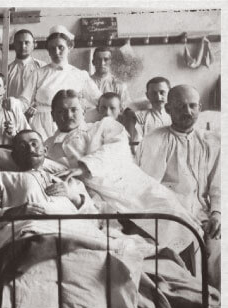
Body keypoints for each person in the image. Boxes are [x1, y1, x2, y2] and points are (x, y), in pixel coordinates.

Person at [44, 89, 202, 254]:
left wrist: (83, 167)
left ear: (82, 111)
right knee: (117, 236)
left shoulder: (104, 126)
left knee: (172, 215)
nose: (68, 115)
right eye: (61, 111)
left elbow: (117, 148)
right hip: (96, 198)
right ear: (53, 115)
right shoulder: (47, 147)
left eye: (73, 109)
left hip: (129, 185)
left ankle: (189, 266)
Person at [136, 85, 220, 290]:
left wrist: (217, 212)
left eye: (192, 106)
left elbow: (218, 185)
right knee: (190, 244)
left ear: (200, 107)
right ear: (168, 109)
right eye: (181, 106)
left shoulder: (211, 142)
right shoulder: (154, 140)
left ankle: (218, 307)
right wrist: (179, 213)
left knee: (219, 246)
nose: (187, 111)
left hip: (203, 212)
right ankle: (198, 304)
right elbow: (148, 188)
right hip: (169, 215)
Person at [17, 25, 101, 140]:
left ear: (70, 47)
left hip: (72, 124)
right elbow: (24, 102)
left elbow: (99, 100)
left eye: (61, 47)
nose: (56, 52)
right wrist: (12, 104)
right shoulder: (38, 74)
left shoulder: (80, 75)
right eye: (52, 48)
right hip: (42, 125)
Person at [7, 29, 46, 98]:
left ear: (34, 45)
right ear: (14, 45)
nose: (23, 46)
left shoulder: (42, 67)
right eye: (19, 43)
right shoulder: (7, 70)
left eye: (27, 42)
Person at [132, 77, 172, 141]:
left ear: (170, 93)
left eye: (162, 92)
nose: (158, 97)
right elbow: (137, 143)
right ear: (147, 95)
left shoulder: (177, 115)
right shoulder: (140, 116)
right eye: (153, 93)